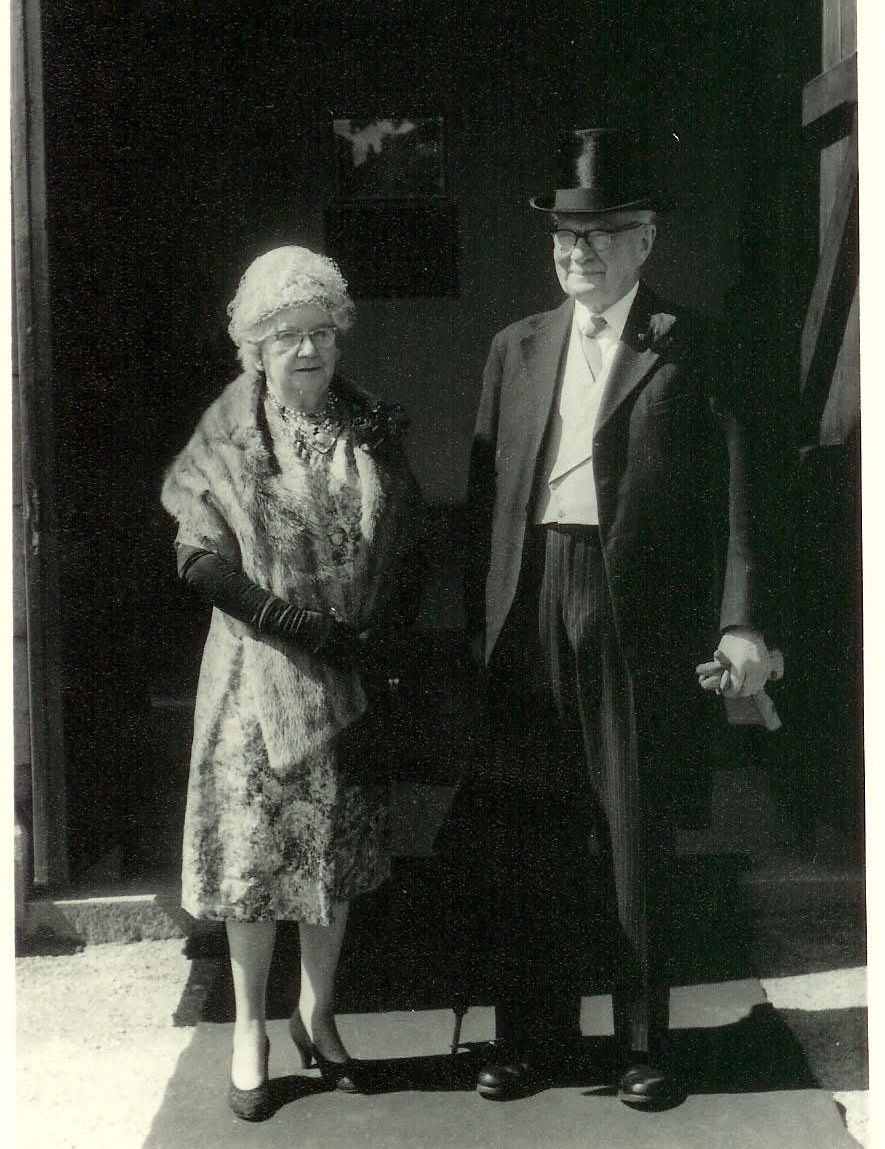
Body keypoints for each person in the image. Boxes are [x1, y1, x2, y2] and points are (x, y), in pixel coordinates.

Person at [452, 127, 774, 1107]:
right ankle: (530, 1036)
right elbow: (483, 499)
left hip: (635, 606)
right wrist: (478, 626)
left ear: (645, 240)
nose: (576, 250)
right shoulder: (514, 347)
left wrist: (741, 621)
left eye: (598, 233)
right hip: (528, 598)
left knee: (634, 827)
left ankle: (643, 1043)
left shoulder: (694, 345)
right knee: (527, 824)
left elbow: (741, 497)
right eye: (564, 234)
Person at [161, 246, 423, 1120]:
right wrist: (295, 625)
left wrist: (377, 634)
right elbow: (197, 558)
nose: (308, 350)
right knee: (254, 860)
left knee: (332, 854)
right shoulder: (230, 430)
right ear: (255, 347)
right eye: (286, 336)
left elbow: (408, 536)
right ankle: (250, 1030)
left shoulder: (366, 424)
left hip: (345, 677)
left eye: (321, 332)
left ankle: (318, 1014)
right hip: (256, 683)